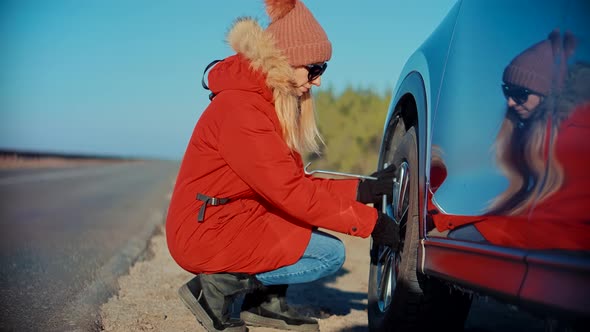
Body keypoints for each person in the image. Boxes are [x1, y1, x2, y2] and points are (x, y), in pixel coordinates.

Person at [165, 1, 400, 331]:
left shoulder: (263, 101)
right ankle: (215, 288)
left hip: (235, 217)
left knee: (304, 224)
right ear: (286, 61)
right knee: (329, 255)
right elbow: (292, 193)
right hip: (207, 231)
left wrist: (364, 188)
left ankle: (263, 304)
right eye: (314, 68)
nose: (317, 81)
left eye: (323, 69)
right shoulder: (242, 110)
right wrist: (372, 223)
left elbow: (293, 183)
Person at [429, 30, 590, 250]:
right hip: (546, 230)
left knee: (467, 237)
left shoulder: (575, 130)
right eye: (507, 91)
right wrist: (444, 218)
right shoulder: (529, 136)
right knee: (465, 234)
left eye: (520, 93)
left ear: (548, 93)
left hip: (566, 238)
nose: (511, 102)